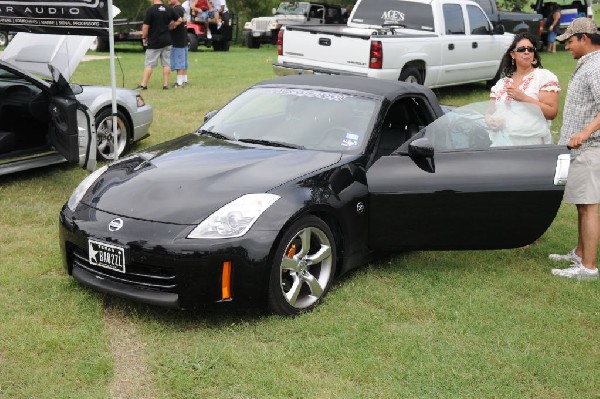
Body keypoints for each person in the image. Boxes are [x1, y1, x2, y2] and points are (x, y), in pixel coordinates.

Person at [549, 18, 600, 280]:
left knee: (589, 205)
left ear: (584, 38)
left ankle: (588, 268)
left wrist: (585, 132)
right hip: (579, 150)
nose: (567, 46)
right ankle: (580, 254)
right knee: (582, 204)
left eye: (569, 41)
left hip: (590, 148)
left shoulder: (596, 67)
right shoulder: (588, 65)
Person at [486, 32, 560, 146]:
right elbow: (490, 113)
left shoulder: (544, 77)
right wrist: (490, 120)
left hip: (532, 144)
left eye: (530, 49)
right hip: (502, 144)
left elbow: (551, 113)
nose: (526, 52)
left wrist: (524, 98)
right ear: (512, 54)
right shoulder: (501, 83)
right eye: (521, 49)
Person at [137, 0, 182, 91]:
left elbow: (146, 26)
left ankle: (143, 85)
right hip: (167, 40)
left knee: (149, 64)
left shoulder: (150, 10)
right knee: (166, 64)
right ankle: (165, 85)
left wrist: (144, 36)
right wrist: (173, 25)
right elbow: (180, 20)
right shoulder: (169, 9)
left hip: (154, 41)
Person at [168, 0, 188, 88]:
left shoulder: (176, 10)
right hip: (183, 38)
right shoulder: (182, 9)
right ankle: (184, 79)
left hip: (177, 40)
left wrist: (167, 26)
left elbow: (174, 23)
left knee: (178, 61)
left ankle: (179, 83)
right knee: (183, 61)